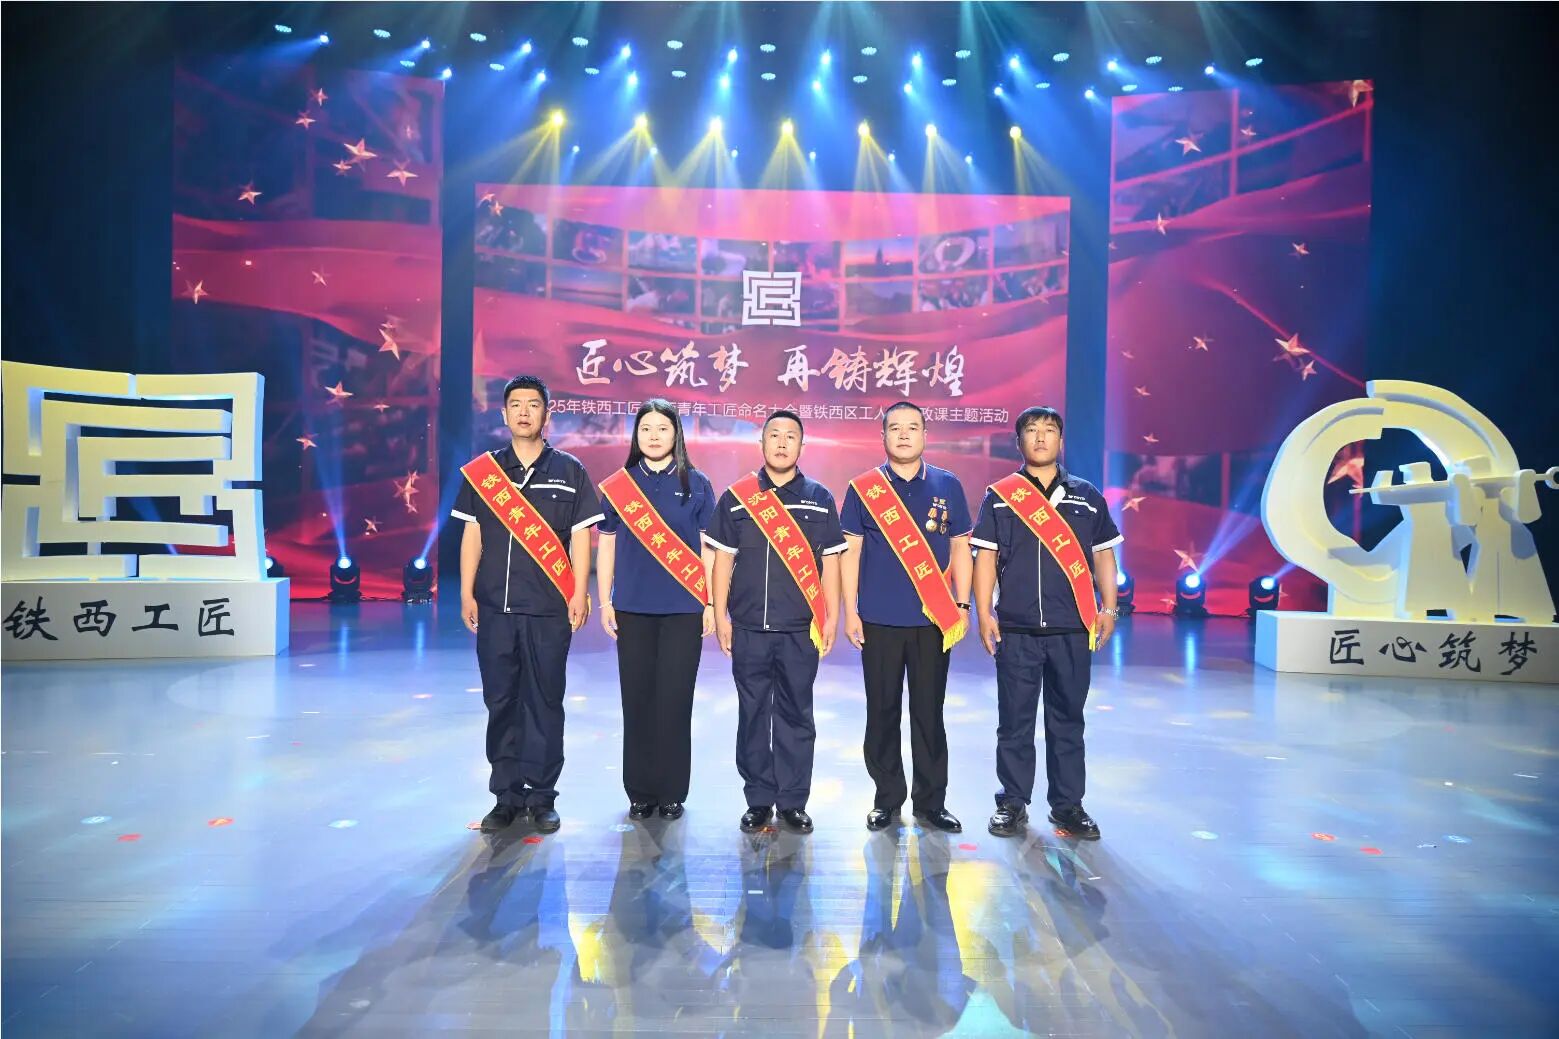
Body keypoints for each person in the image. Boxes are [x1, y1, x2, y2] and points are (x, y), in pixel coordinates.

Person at [452, 375, 603, 834]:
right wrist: (466, 591)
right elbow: (472, 534)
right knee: (501, 701)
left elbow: (581, 536)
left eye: (532, 404)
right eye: (515, 404)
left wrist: (579, 591)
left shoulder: (570, 470)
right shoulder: (484, 474)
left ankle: (541, 796)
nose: (523, 412)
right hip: (495, 607)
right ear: (503, 414)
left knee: (544, 700)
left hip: (547, 608)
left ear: (546, 414)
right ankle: (506, 796)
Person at [971, 406, 1121, 841]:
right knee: (1014, 722)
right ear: (1019, 441)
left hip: (1072, 629)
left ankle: (1068, 806)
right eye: (1032, 431)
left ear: (1060, 440)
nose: (1040, 438)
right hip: (1016, 629)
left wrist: (1109, 608)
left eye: (1049, 430)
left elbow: (1103, 556)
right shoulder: (1000, 496)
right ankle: (1012, 803)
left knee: (1068, 720)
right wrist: (984, 612)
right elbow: (986, 557)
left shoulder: (1086, 495)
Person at [706, 410, 845, 835]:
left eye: (791, 436)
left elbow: (831, 563)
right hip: (748, 627)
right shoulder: (737, 497)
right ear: (762, 443)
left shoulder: (819, 498)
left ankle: (792, 802)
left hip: (800, 630)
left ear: (802, 445)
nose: (782, 443)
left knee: (796, 716)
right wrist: (720, 613)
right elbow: (722, 559)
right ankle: (758, 799)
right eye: (774, 435)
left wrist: (831, 616)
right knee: (752, 715)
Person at [839, 401, 973, 833]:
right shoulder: (864, 489)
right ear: (882, 436)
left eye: (912, 427)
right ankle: (887, 798)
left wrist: (963, 604)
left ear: (925, 435)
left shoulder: (947, 485)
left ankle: (931, 803)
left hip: (934, 621)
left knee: (929, 713)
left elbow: (960, 547)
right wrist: (850, 611)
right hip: (878, 620)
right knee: (881, 712)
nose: (903, 434)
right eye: (894, 428)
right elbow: (850, 553)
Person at [595, 399, 717, 821]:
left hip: (684, 608)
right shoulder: (620, 485)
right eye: (645, 428)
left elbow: (708, 547)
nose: (653, 436)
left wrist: (710, 602)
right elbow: (607, 543)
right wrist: (605, 600)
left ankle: (671, 791)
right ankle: (640, 791)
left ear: (676, 434)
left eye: (662, 428)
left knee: (675, 700)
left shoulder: (696, 483)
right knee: (637, 700)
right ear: (636, 435)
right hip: (632, 607)